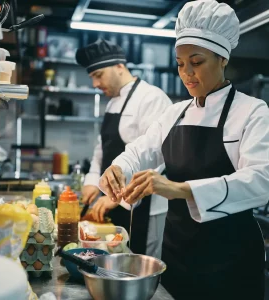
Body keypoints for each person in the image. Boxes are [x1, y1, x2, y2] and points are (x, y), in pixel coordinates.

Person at [98, 1, 268, 299]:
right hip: (176, 255)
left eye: (197, 62)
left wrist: (181, 189)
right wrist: (118, 169)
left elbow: (261, 180)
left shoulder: (252, 112)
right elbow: (139, 151)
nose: (186, 73)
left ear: (222, 58)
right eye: (180, 63)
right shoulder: (174, 114)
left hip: (230, 261)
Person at [75, 39, 171, 258]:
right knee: (114, 260)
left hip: (145, 206)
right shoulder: (112, 103)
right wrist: (91, 183)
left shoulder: (151, 98)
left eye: (98, 75)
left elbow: (159, 160)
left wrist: (120, 197)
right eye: (92, 78)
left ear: (119, 66)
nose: (95, 84)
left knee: (138, 263)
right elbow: (102, 151)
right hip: (113, 202)